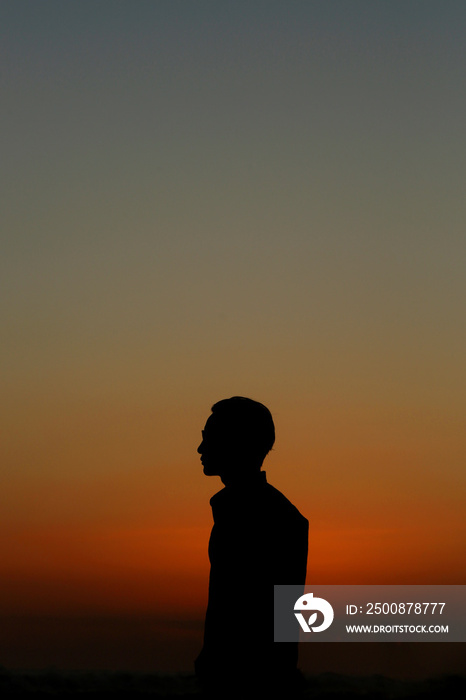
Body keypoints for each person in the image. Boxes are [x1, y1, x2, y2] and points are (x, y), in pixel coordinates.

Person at [195, 397, 308, 695]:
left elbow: (269, 611)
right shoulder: (268, 511)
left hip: (247, 682)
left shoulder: (267, 515)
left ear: (237, 443)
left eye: (210, 439)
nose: (201, 449)